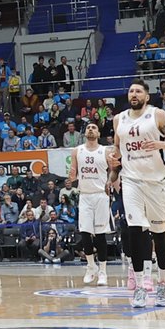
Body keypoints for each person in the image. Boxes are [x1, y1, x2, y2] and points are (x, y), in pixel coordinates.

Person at [111, 79, 165, 308]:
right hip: (131, 180)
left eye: (138, 91)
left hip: (156, 181)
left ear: (146, 96)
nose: (134, 94)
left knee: (159, 232)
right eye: (131, 91)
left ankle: (162, 282)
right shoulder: (119, 119)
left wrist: (160, 145)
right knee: (135, 231)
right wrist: (113, 168)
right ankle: (141, 287)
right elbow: (117, 148)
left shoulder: (158, 115)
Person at [66, 123, 113, 286]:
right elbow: (73, 174)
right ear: (84, 133)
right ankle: (91, 266)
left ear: (99, 133)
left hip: (101, 195)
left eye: (94, 127)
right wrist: (71, 178)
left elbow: (114, 171)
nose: (91, 129)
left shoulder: (106, 151)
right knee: (85, 233)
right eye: (88, 128)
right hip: (85, 195)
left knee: (100, 235)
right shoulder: (76, 151)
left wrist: (111, 181)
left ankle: (103, 272)